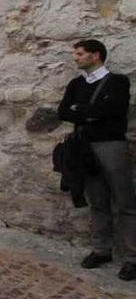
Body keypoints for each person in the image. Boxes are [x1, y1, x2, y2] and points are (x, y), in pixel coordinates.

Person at [57, 39, 135, 281]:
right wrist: (92, 111)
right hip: (84, 148)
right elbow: (63, 112)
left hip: (111, 146)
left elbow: (115, 110)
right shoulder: (76, 84)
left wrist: (81, 110)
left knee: (125, 202)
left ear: (96, 55)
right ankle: (102, 250)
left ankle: (133, 258)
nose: (76, 58)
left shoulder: (118, 82)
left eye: (80, 54)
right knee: (98, 201)